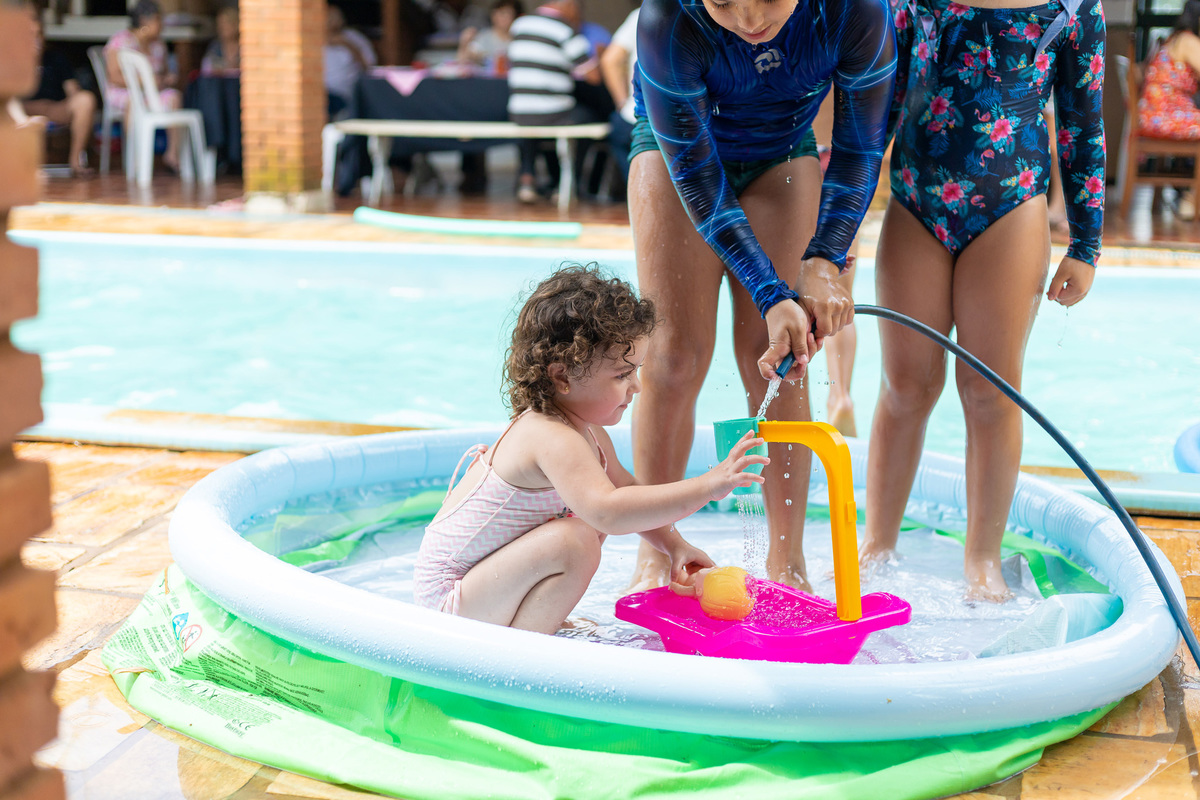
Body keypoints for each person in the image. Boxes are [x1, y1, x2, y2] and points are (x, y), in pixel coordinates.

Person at [626, 0, 896, 591]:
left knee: (784, 359)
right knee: (674, 357)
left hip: (784, 150)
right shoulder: (666, 17)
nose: (749, 21)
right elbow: (698, 178)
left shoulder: (856, 10)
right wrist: (772, 290)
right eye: (723, 3)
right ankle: (657, 550)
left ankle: (786, 559)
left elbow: (859, 152)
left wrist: (824, 261)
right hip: (680, 156)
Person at [860, 0, 1105, 601]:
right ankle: (877, 544)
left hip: (1010, 208)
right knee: (905, 386)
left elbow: (1080, 123)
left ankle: (982, 561)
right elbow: (875, 107)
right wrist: (833, 241)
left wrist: (1087, 242)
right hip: (917, 204)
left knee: (991, 391)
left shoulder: (1072, 8)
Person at [412, 265, 767, 634]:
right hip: (448, 607)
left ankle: (535, 628)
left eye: (637, 370)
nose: (637, 386)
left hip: (483, 592)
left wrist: (674, 545)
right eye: (621, 374)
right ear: (562, 376)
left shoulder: (587, 430)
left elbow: (627, 492)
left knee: (582, 528)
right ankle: (525, 651)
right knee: (578, 538)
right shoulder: (549, 435)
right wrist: (710, 484)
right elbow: (609, 513)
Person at [506, 0, 602, 203]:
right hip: (553, 112)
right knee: (589, 119)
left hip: (518, 110)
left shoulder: (519, 25)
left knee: (531, 115)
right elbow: (594, 76)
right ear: (569, 4)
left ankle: (527, 177)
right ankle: (568, 183)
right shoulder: (565, 29)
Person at [1137, 0, 1200, 219]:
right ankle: (1190, 200)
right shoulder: (1188, 41)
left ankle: (1189, 196)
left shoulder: (1175, 38)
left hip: (1155, 114)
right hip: (1164, 117)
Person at [103, 0, 182, 173]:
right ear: (145, 22)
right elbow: (114, 77)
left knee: (174, 97)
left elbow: (163, 72)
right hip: (123, 92)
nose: (162, 25)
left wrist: (164, 80)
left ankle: (172, 154)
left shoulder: (158, 44)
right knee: (134, 101)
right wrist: (143, 82)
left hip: (151, 93)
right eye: (158, 20)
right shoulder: (120, 41)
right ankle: (136, 156)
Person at [21, 4, 97, 177]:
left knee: (85, 100)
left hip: (53, 110)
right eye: (30, 36)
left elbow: (73, 91)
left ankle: (76, 161)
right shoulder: (12, 62)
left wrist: (74, 96)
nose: (36, 41)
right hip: (21, 111)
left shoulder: (56, 59)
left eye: (39, 35)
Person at [599, 6, 637, 186]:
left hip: (638, 117)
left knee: (619, 131)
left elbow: (610, 60)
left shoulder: (641, 14)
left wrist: (622, 101)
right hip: (689, 116)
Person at [324, 3, 377, 118]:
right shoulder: (311, 38)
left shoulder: (353, 37)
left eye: (335, 16)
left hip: (342, 93)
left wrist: (347, 44)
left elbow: (369, 69)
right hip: (317, 92)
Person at [457, 0, 523, 73]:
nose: (501, 18)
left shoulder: (519, 39)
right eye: (499, 13)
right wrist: (464, 43)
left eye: (506, 14)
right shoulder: (483, 37)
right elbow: (465, 59)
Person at [200, 5, 240, 75]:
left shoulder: (245, 47)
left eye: (226, 23)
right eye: (220, 24)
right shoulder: (215, 47)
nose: (222, 28)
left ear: (236, 25)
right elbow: (206, 70)